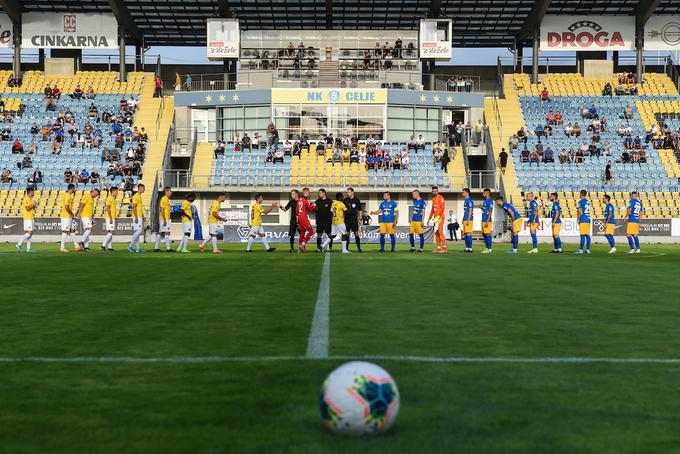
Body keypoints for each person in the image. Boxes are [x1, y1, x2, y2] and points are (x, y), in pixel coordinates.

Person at [75, 188, 100, 252]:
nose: (96, 196)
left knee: (87, 231)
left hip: (88, 217)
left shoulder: (92, 199)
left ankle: (86, 247)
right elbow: (81, 205)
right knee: (89, 228)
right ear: (93, 192)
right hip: (85, 216)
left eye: (97, 195)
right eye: (96, 194)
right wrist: (79, 213)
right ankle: (82, 242)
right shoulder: (87, 196)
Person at [59, 184, 81, 253]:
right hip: (66, 216)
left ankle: (76, 246)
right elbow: (66, 207)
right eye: (74, 189)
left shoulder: (68, 196)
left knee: (72, 230)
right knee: (65, 231)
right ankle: (62, 247)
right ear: (72, 189)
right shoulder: (67, 196)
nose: (74, 190)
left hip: (69, 216)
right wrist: (71, 213)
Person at [16, 187, 37, 253]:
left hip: (31, 217)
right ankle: (19, 244)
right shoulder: (26, 199)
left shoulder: (31, 199)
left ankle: (28, 248)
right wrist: (33, 204)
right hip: (28, 218)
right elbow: (28, 208)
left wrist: (35, 204)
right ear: (30, 192)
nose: (34, 193)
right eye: (33, 191)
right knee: (29, 232)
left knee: (30, 233)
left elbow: (33, 208)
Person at [343, 188, 363, 253]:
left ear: (352, 192)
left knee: (356, 233)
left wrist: (360, 218)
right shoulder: (345, 200)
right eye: (347, 192)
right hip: (347, 218)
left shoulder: (357, 200)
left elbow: (360, 210)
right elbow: (343, 210)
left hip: (354, 218)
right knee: (347, 234)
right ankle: (346, 248)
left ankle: (359, 248)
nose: (348, 193)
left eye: (349, 192)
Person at [428, 186, 447, 253]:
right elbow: (432, 210)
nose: (435, 192)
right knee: (436, 233)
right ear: (432, 192)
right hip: (435, 219)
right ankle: (438, 248)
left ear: (438, 191)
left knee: (440, 232)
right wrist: (429, 218)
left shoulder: (441, 198)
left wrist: (438, 217)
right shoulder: (433, 199)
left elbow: (442, 208)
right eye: (433, 191)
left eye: (436, 191)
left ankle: (444, 248)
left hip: (440, 218)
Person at [296, 187, 315, 253]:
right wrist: (314, 206)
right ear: (306, 193)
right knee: (311, 232)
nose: (309, 194)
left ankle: (299, 249)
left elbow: (296, 210)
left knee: (302, 233)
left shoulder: (299, 200)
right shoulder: (306, 200)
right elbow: (311, 210)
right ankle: (302, 245)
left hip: (299, 217)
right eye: (308, 192)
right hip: (304, 217)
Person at [155, 187, 174, 252]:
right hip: (164, 218)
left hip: (166, 218)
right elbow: (161, 209)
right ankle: (168, 248)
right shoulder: (164, 199)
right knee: (166, 233)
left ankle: (156, 248)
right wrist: (164, 219)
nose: (171, 192)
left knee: (161, 233)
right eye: (170, 191)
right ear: (166, 191)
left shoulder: (167, 199)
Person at [128, 184, 146, 253]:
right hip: (137, 216)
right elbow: (134, 207)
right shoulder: (135, 196)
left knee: (138, 233)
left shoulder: (139, 196)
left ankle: (138, 248)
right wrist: (135, 217)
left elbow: (139, 208)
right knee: (138, 231)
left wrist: (143, 216)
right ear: (140, 188)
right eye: (143, 188)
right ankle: (130, 245)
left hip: (139, 216)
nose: (144, 190)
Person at [100, 187, 118, 252]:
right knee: (111, 232)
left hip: (111, 217)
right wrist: (110, 218)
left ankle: (110, 247)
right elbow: (108, 208)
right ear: (112, 192)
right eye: (116, 192)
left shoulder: (112, 198)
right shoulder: (110, 198)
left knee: (109, 232)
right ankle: (103, 245)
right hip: (110, 217)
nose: (117, 193)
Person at [575, 190, 592, 254]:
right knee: (587, 235)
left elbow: (580, 211)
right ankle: (588, 249)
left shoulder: (580, 202)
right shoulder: (587, 202)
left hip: (583, 219)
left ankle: (581, 249)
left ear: (581, 194)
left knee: (582, 235)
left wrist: (578, 219)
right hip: (588, 219)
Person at [480, 189, 493, 253]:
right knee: (484, 234)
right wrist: (481, 207)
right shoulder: (485, 200)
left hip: (487, 220)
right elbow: (485, 210)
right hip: (483, 219)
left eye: (484, 193)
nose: (483, 194)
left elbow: (490, 211)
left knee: (487, 234)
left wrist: (487, 221)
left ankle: (489, 248)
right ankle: (486, 248)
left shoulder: (490, 201)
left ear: (487, 193)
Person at [462, 188, 474, 253]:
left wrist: (468, 220)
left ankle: (470, 248)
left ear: (467, 193)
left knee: (468, 234)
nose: (462, 194)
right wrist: (463, 218)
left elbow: (470, 210)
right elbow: (465, 211)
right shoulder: (466, 200)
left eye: (463, 192)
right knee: (465, 234)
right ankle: (467, 248)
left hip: (468, 219)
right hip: (465, 219)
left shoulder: (469, 200)